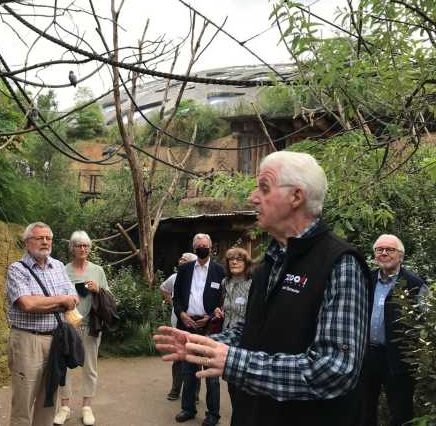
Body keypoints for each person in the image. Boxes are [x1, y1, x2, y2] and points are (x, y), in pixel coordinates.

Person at [154, 151, 371, 426]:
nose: (253, 197)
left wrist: (234, 362)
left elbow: (335, 369)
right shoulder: (270, 261)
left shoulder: (341, 264)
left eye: (264, 188)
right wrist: (208, 345)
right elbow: (253, 331)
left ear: (296, 196)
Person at [6, 222, 78, 426]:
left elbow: (73, 298)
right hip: (27, 341)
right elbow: (27, 303)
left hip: (55, 340)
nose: (45, 242)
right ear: (27, 242)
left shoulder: (58, 266)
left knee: (49, 400)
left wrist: (49, 302)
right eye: (39, 238)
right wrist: (61, 301)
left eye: (48, 238)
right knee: (23, 402)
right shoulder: (17, 269)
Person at [361, 234, 429, 426]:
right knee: (364, 411)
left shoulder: (415, 284)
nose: (383, 253)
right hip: (367, 356)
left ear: (400, 256)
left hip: (399, 359)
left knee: (401, 413)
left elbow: (425, 323)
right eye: (379, 249)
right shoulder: (365, 279)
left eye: (389, 250)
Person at [53, 231, 109, 426]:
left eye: (85, 245)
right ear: (72, 248)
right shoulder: (62, 269)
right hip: (67, 326)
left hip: (90, 326)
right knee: (64, 367)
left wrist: (97, 290)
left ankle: (87, 407)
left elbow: (109, 298)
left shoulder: (98, 270)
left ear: (90, 249)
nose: (82, 249)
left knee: (90, 367)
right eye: (78, 245)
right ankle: (64, 407)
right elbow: (54, 294)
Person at [172, 234, 226, 426]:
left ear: (211, 247)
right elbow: (176, 297)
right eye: (199, 245)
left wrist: (210, 317)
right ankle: (188, 408)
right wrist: (182, 315)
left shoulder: (220, 271)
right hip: (188, 326)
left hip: (210, 328)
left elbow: (224, 300)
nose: (202, 248)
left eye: (205, 245)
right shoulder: (184, 269)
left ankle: (213, 415)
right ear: (194, 248)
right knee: (189, 371)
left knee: (211, 374)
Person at [212, 247, 253, 420]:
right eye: (231, 259)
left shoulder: (252, 283)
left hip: (245, 339)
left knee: (243, 385)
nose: (234, 262)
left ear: (246, 262)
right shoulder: (225, 283)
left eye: (239, 259)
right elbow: (227, 306)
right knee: (230, 382)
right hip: (226, 337)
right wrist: (219, 310)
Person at [160, 252, 198, 401]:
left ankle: (193, 393)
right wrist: (173, 303)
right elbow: (163, 288)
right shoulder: (175, 277)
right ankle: (175, 389)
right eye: (181, 258)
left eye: (185, 260)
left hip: (195, 326)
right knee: (178, 358)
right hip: (177, 324)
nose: (181, 261)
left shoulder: (197, 280)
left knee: (195, 359)